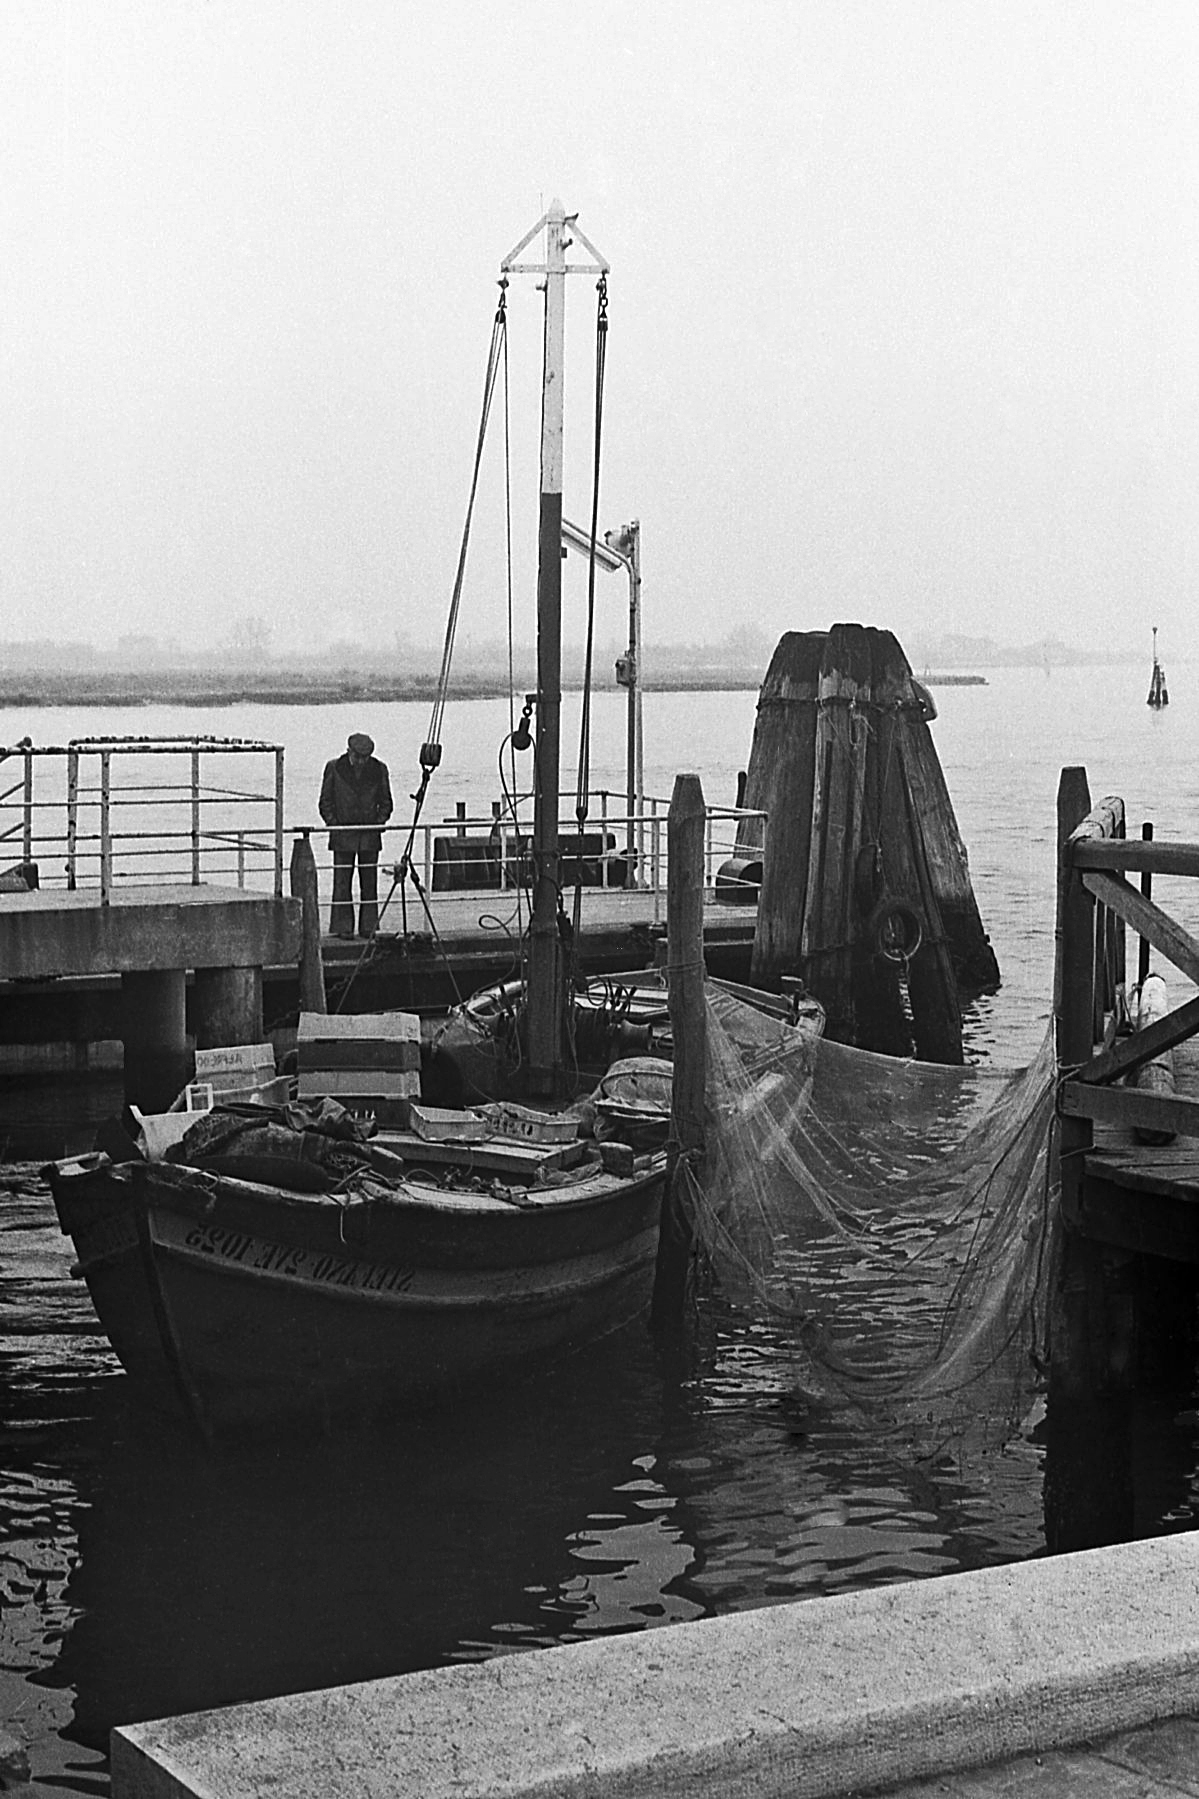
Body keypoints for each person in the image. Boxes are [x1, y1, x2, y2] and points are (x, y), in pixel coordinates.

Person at [318, 732, 393, 937]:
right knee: (342, 883)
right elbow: (325, 802)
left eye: (365, 758)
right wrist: (334, 825)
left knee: (369, 883)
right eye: (358, 757)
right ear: (348, 751)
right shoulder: (333, 768)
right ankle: (343, 928)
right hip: (342, 835)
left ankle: (368, 927)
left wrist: (377, 824)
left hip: (369, 836)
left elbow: (386, 803)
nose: (361, 762)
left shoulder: (379, 769)